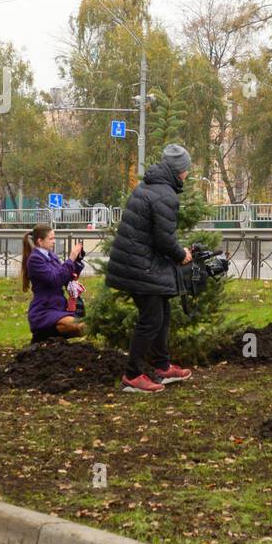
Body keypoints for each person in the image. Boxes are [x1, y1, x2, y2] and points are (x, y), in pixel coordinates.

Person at [104, 144, 195, 393]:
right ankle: (132, 375)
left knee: (162, 314)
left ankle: (163, 367)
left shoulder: (149, 186)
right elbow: (164, 239)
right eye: (187, 169)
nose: (188, 173)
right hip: (140, 266)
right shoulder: (165, 195)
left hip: (139, 262)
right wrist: (181, 255)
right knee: (151, 320)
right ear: (180, 171)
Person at [21, 223, 86, 343]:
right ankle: (43, 336)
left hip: (58, 306)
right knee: (78, 326)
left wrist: (76, 263)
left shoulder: (52, 256)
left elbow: (65, 277)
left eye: (54, 238)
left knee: (80, 328)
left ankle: (49, 339)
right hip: (44, 309)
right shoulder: (35, 259)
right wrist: (71, 258)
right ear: (40, 241)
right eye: (51, 238)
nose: (54, 241)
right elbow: (55, 279)